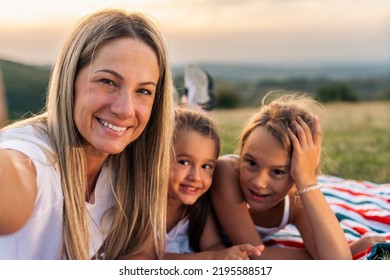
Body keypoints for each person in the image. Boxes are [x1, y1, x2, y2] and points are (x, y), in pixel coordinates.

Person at [0, 8, 173, 260]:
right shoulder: (34, 158)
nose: (125, 109)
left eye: (143, 91)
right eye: (107, 82)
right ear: (70, 80)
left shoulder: (132, 167)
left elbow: (139, 258)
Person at [210, 92, 355, 260]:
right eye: (251, 163)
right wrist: (320, 258)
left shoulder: (296, 201)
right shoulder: (226, 173)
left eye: (277, 171)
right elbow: (256, 257)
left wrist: (307, 180)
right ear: (242, 150)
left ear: (298, 172)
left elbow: (339, 264)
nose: (259, 183)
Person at [164, 107, 263, 259]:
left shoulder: (197, 206)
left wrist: (232, 257)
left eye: (206, 166)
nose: (196, 177)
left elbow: (212, 246)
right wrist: (212, 258)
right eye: (184, 162)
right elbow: (146, 259)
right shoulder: (145, 205)